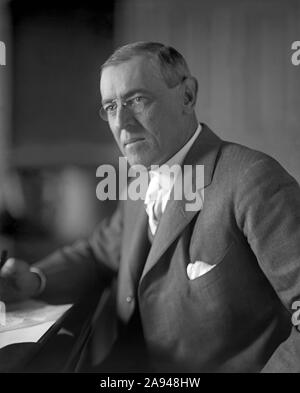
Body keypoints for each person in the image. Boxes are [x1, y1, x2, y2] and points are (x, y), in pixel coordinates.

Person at [0, 41, 300, 373]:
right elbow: (99, 253)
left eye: (137, 100)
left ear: (187, 96)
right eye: (111, 106)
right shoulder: (138, 185)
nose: (122, 123)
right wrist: (35, 280)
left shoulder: (254, 180)